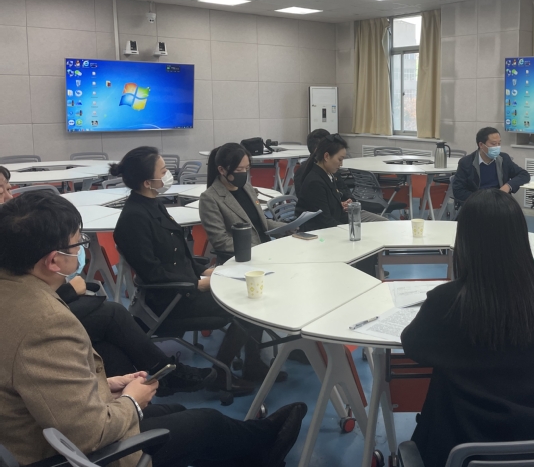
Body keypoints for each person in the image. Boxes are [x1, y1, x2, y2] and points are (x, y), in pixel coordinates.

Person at [0, 191, 307, 467]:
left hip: (54, 428)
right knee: (206, 423)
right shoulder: (45, 324)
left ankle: (252, 451)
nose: (82, 250)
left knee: (173, 410)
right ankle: (266, 441)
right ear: (54, 261)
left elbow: (41, 385)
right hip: (70, 454)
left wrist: (106, 384)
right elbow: (92, 435)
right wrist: (131, 401)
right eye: (78, 244)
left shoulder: (12, 292)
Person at [401, 189, 534, 467]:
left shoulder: (446, 303)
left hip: (462, 452)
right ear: (521, 238)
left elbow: (412, 345)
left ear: (465, 241)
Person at [111, 147, 269, 393]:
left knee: (247, 294)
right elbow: (153, 273)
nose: (168, 175)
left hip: (184, 287)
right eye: (163, 171)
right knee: (245, 306)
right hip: (171, 299)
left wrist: (203, 270)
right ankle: (221, 375)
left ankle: (252, 364)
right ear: (147, 182)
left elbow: (176, 256)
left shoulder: (152, 204)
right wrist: (196, 283)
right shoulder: (134, 218)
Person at [56, 268, 215, 395]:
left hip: (60, 307)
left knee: (108, 347)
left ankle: (138, 405)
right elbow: (40, 304)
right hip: (49, 319)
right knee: (113, 313)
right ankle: (165, 372)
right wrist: (69, 290)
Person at [199, 143, 281, 263]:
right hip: (242, 259)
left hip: (265, 251)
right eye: (238, 169)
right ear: (222, 170)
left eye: (246, 168)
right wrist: (257, 249)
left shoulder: (246, 187)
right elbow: (220, 241)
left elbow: (259, 222)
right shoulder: (210, 198)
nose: (243, 173)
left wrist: (290, 228)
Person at [294, 134, 386, 231]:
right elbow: (325, 222)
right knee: (373, 229)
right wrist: (351, 230)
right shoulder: (315, 182)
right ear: (326, 156)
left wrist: (340, 204)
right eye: (339, 159)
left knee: (382, 223)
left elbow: (329, 204)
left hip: (338, 217)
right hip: (322, 230)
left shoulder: (328, 174)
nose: (341, 164)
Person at [452, 127, 530, 203]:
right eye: (493, 144)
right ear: (481, 145)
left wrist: (508, 186)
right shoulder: (466, 162)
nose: (497, 147)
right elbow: (458, 191)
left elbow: (524, 174)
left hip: (500, 202)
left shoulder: (503, 159)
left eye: (499, 143)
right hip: (477, 204)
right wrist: (481, 200)